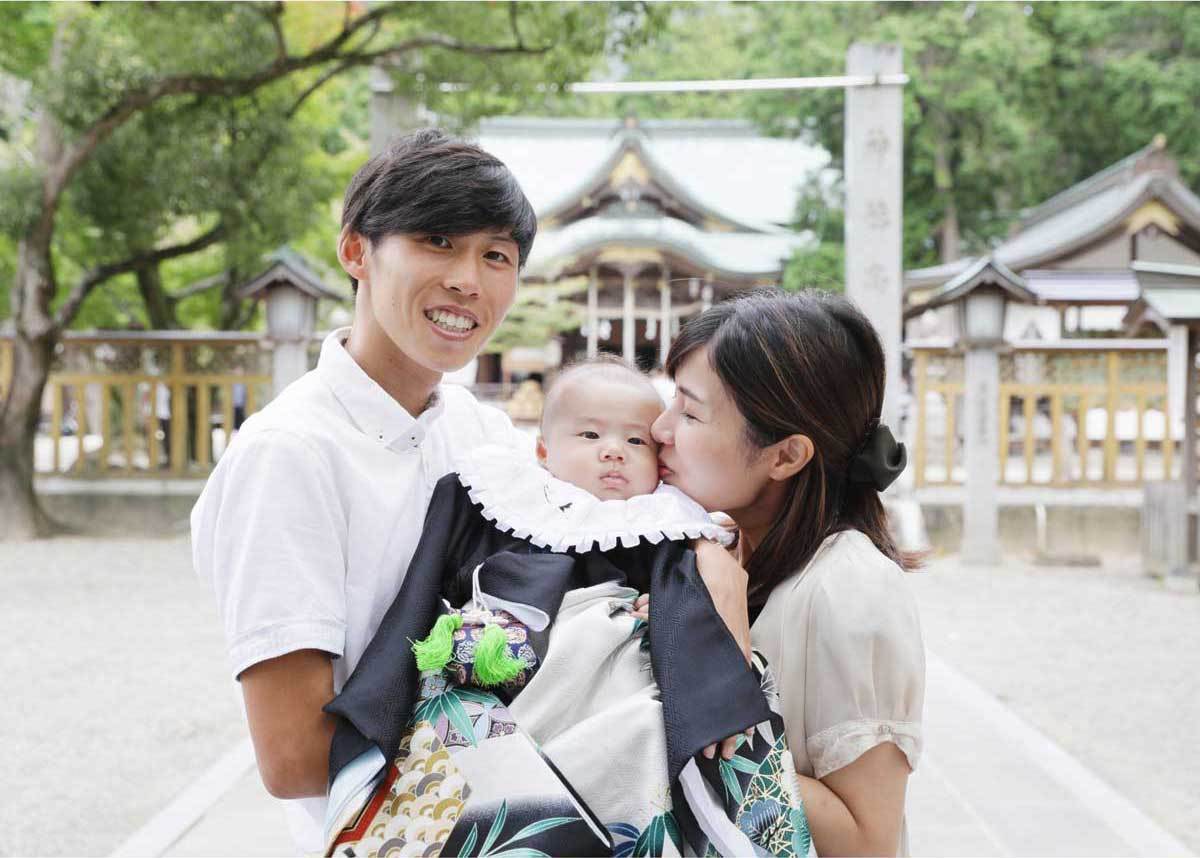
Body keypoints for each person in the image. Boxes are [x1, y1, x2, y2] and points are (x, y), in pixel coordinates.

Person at [190, 129, 538, 853]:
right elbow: (292, 757)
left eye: (496, 255)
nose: (469, 280)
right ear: (356, 251)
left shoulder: (486, 437)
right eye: (438, 241)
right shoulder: (289, 456)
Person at [320, 356, 812, 857]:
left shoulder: (665, 523)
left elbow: (691, 607)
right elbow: (421, 592)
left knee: (642, 730)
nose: (614, 453)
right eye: (591, 436)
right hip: (505, 668)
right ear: (542, 449)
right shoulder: (495, 495)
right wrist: (383, 696)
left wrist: (713, 690)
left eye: (636, 441)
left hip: (613, 680)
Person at [651, 289, 925, 857]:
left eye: (691, 412)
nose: (659, 428)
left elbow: (865, 843)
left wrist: (691, 716)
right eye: (670, 400)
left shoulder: (850, 588)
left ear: (785, 456)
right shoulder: (720, 546)